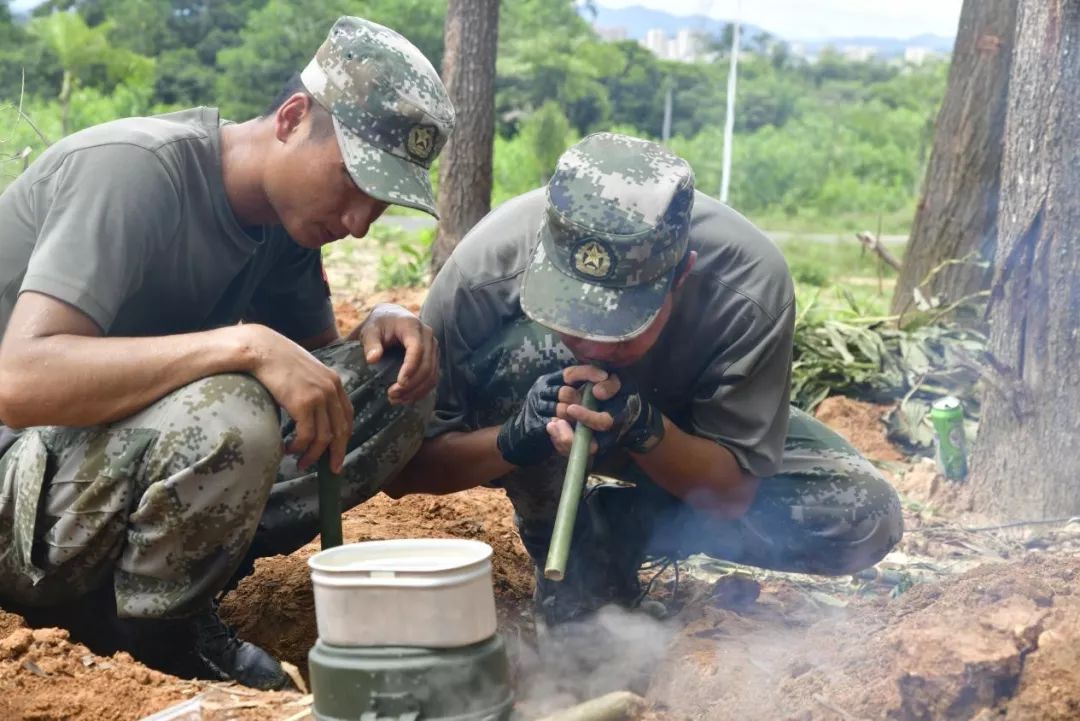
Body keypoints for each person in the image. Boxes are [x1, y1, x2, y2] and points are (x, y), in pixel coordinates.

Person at [0, 16, 453, 689]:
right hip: (17, 480)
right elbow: (18, 378)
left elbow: (313, 378)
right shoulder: (136, 173)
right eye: (353, 182)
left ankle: (179, 570)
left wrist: (379, 324)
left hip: (89, 468)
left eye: (380, 205)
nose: (359, 223)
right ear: (293, 117)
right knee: (233, 404)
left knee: (392, 383)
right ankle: (154, 628)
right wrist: (241, 343)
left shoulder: (285, 225)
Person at [389, 132, 903, 625]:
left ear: (682, 275)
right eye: (572, 319)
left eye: (622, 329)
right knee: (541, 355)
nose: (593, 348)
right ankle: (562, 557)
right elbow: (407, 468)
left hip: (686, 435)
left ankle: (611, 530)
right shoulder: (485, 268)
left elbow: (732, 494)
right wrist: (513, 438)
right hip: (528, 427)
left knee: (862, 513)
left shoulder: (749, 284)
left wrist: (643, 427)